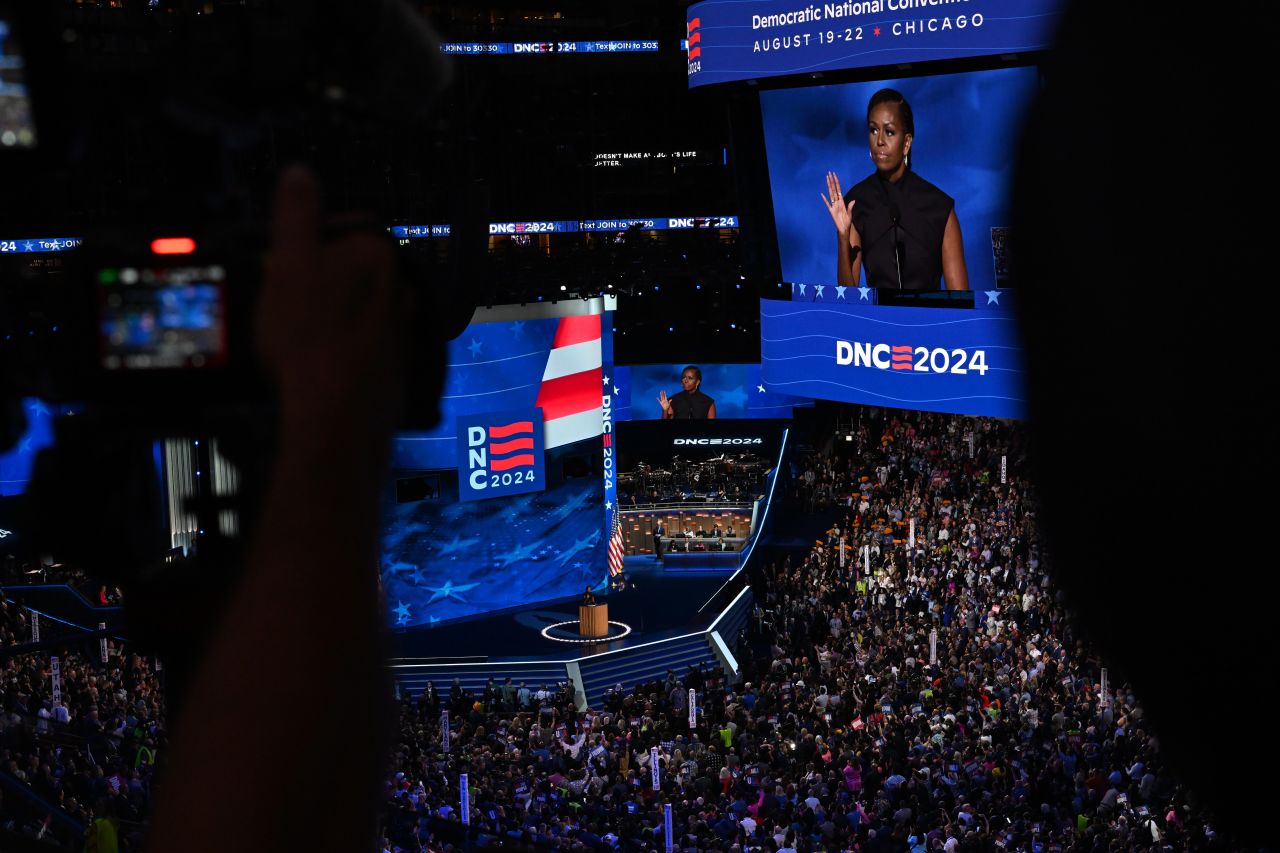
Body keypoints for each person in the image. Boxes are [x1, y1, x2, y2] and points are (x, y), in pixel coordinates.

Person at [821, 88, 969, 291]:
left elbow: (960, 301)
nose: (879, 141)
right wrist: (843, 237)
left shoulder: (940, 208)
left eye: (889, 132)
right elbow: (848, 298)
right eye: (873, 130)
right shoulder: (856, 204)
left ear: (906, 142)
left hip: (928, 322)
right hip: (876, 321)